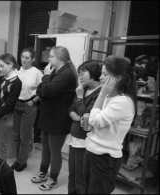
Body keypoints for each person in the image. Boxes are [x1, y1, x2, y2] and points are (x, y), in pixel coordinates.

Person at [84, 56, 136, 194]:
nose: (100, 77)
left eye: (105, 74)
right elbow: (93, 120)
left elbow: (94, 121)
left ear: (118, 78)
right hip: (92, 150)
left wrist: (101, 95)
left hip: (105, 157)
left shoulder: (122, 101)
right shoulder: (109, 96)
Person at [31, 46, 77, 191]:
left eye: (51, 56)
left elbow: (47, 90)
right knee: (45, 146)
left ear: (60, 58)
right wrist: (45, 83)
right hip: (49, 115)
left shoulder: (67, 73)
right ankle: (43, 172)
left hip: (59, 118)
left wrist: (45, 77)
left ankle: (53, 179)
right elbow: (42, 91)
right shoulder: (56, 71)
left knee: (55, 149)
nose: (48, 59)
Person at [66, 61, 102, 194]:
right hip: (75, 135)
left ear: (94, 74)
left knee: (81, 176)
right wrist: (75, 116)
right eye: (79, 73)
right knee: (72, 173)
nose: (80, 76)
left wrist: (80, 97)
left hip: (85, 139)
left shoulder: (99, 94)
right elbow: (71, 109)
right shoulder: (83, 89)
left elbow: (86, 115)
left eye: (83, 73)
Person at [11, 47, 43, 172]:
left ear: (33, 59)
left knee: (24, 136)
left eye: (27, 58)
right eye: (22, 57)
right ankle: (18, 159)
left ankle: (22, 161)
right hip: (16, 105)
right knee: (15, 135)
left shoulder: (36, 73)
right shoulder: (17, 72)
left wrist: (34, 101)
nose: (24, 60)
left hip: (28, 106)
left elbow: (44, 90)